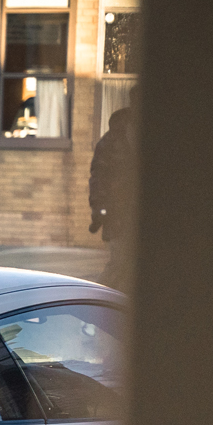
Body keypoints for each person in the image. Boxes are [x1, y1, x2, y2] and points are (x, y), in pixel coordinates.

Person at [89, 88, 139, 289]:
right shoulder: (112, 140)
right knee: (119, 264)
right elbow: (99, 178)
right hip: (119, 215)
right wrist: (100, 210)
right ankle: (94, 301)